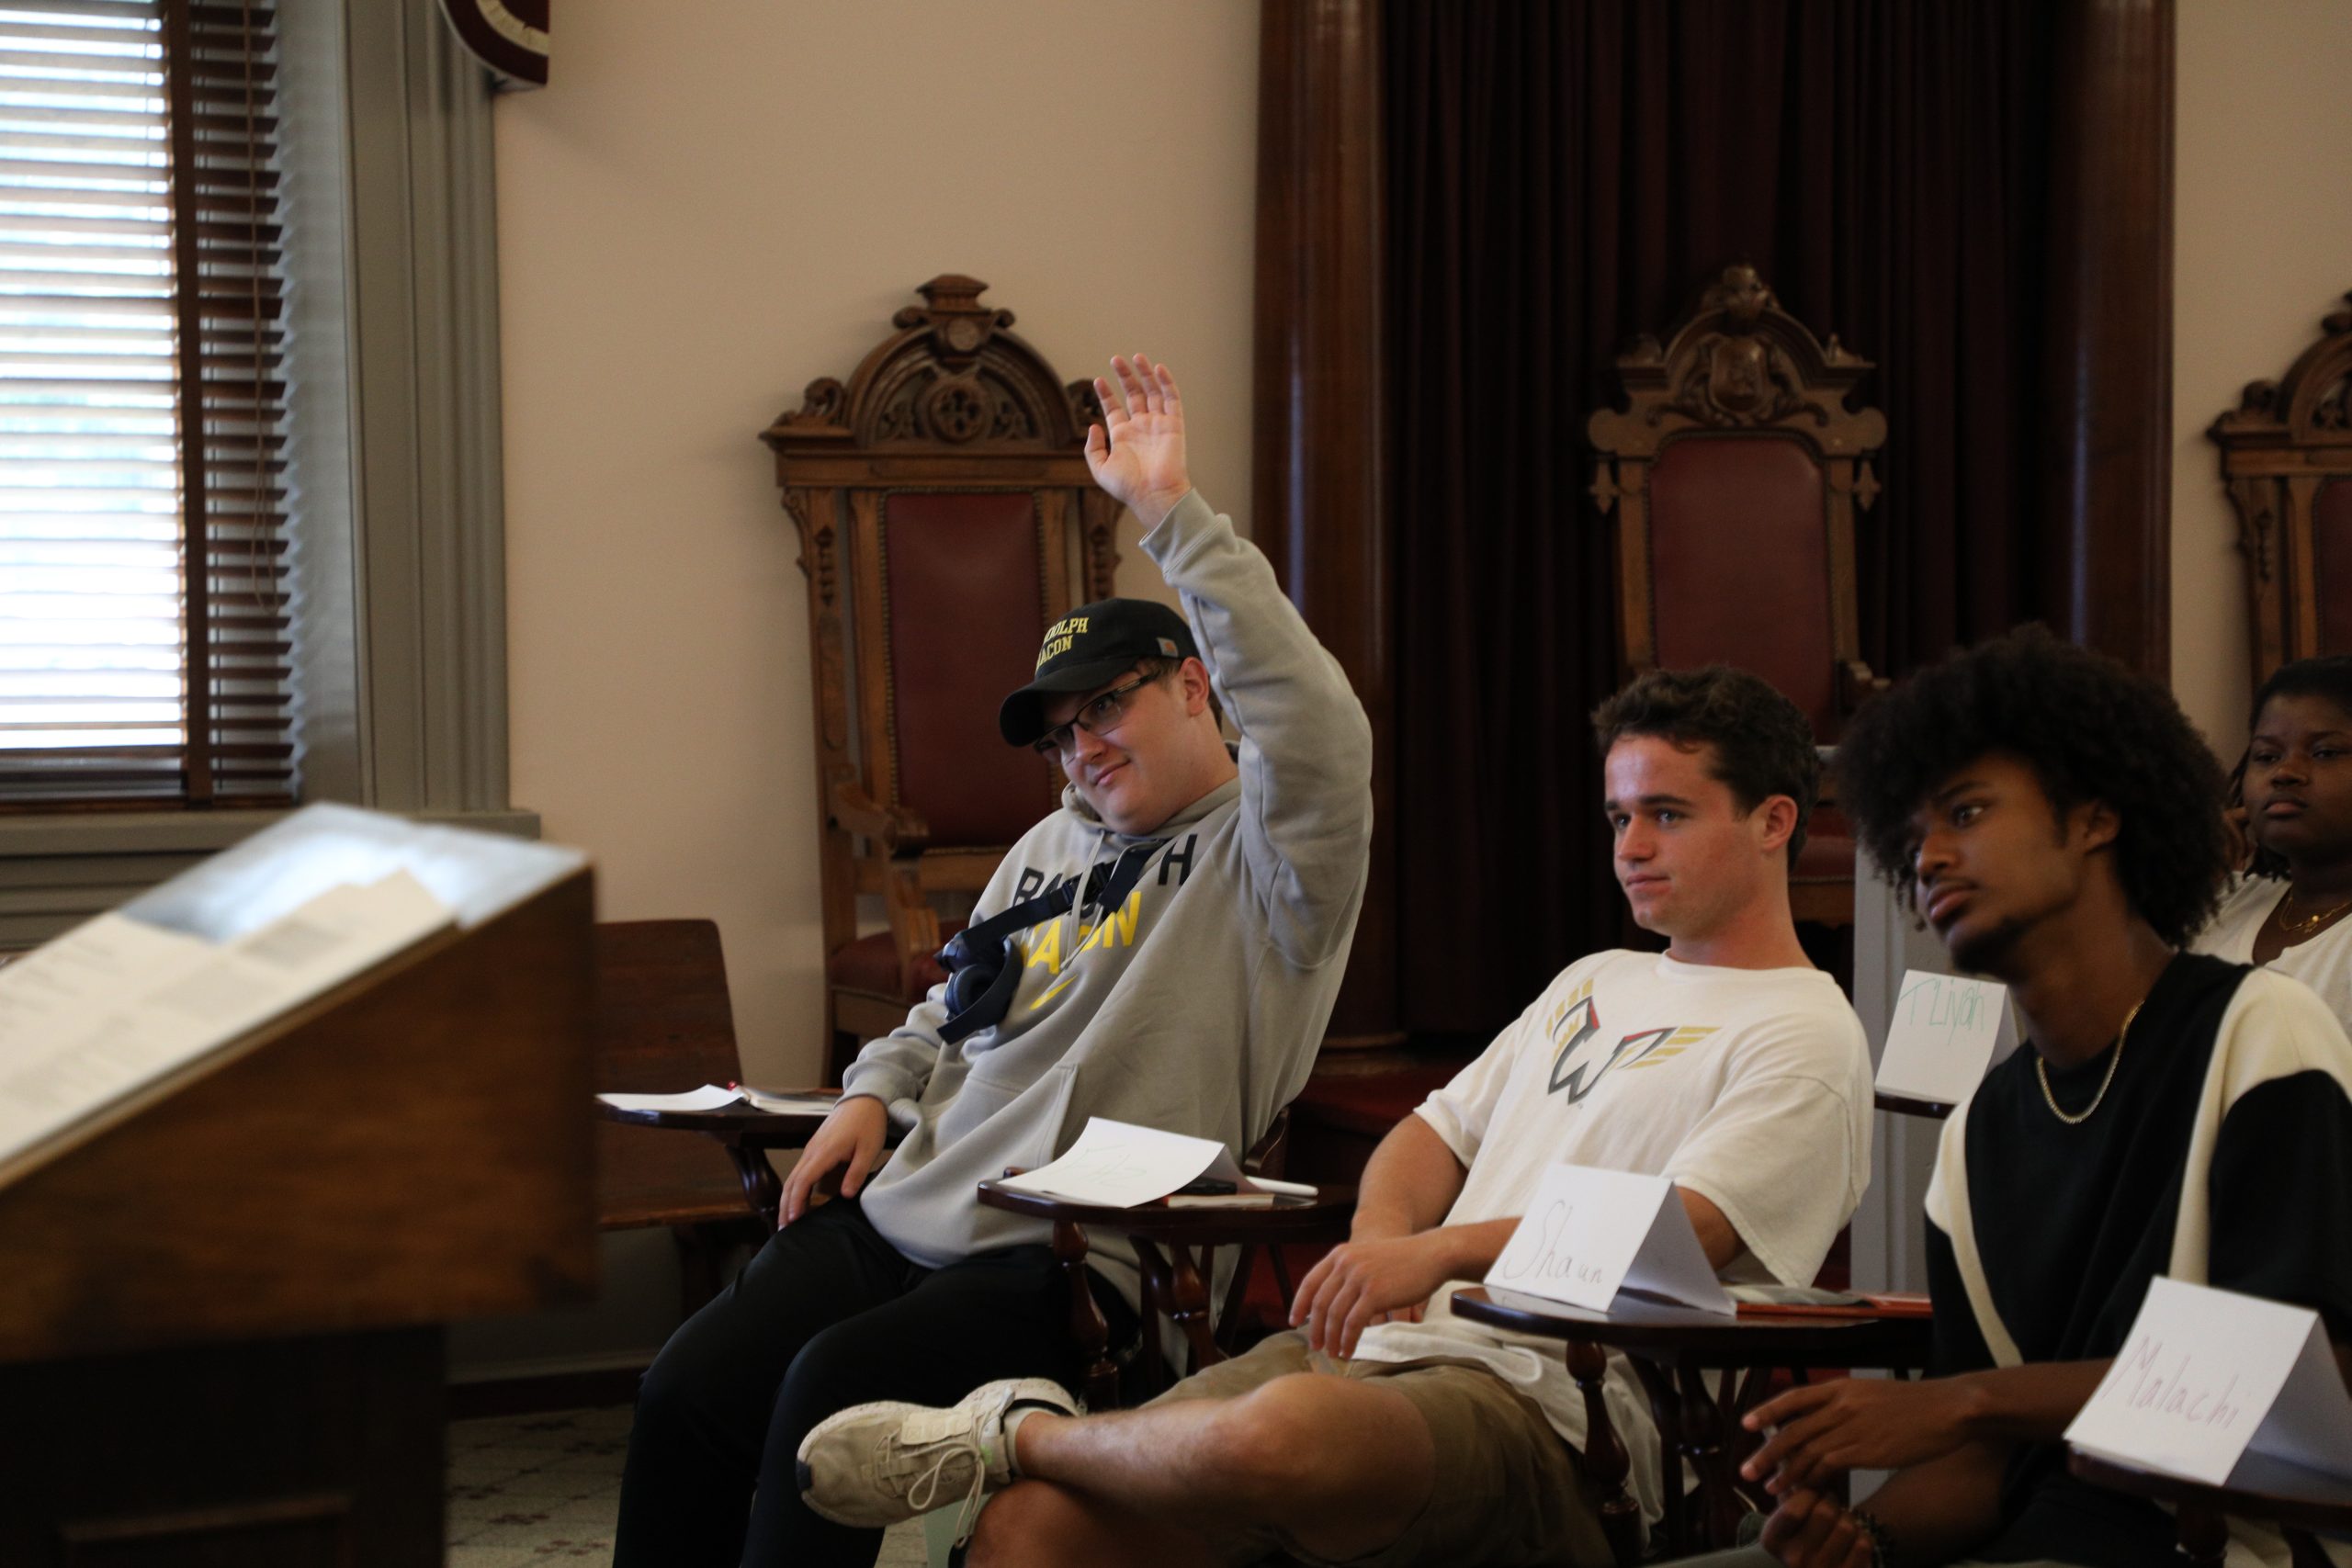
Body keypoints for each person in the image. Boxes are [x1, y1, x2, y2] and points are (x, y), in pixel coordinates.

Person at [797, 665, 1876, 1568]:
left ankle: (1014, 1430)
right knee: (1033, 1534)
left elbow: (1687, 1228)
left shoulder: (1805, 1034)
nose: (1631, 845)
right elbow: (1427, 1134)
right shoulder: (1594, 977)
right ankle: (1027, 1460)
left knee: (1274, 1435)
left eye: (1668, 815)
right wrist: (1378, 1251)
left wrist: (1437, 1254)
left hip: (1557, 1411)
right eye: (1618, 816)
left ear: (1775, 820)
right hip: (1384, 1356)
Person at [612, 355, 1374, 1568]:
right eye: (1060, 732)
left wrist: (1169, 514)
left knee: (828, 1401)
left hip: (1074, 1255)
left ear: (1193, 687)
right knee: (691, 1383)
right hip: (911, 1201)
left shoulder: (1274, 855)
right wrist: (878, 1085)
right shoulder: (1047, 843)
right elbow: (949, 1003)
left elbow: (1317, 717)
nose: (1082, 747)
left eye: (1106, 709)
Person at [1692, 626, 2352, 1568]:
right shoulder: (1977, 1138)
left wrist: (1961, 1401)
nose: (1927, 859)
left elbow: (2298, 1379)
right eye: (1912, 835)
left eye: (1965, 814)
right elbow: (1984, 1474)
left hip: (2223, 1544)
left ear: (2093, 816)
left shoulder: (2256, 1033)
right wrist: (1862, 1538)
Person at [2195, 654, 2352, 1024]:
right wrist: (2193, 883)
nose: (2285, 773)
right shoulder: (2223, 904)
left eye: (2324, 752)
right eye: (2266, 756)